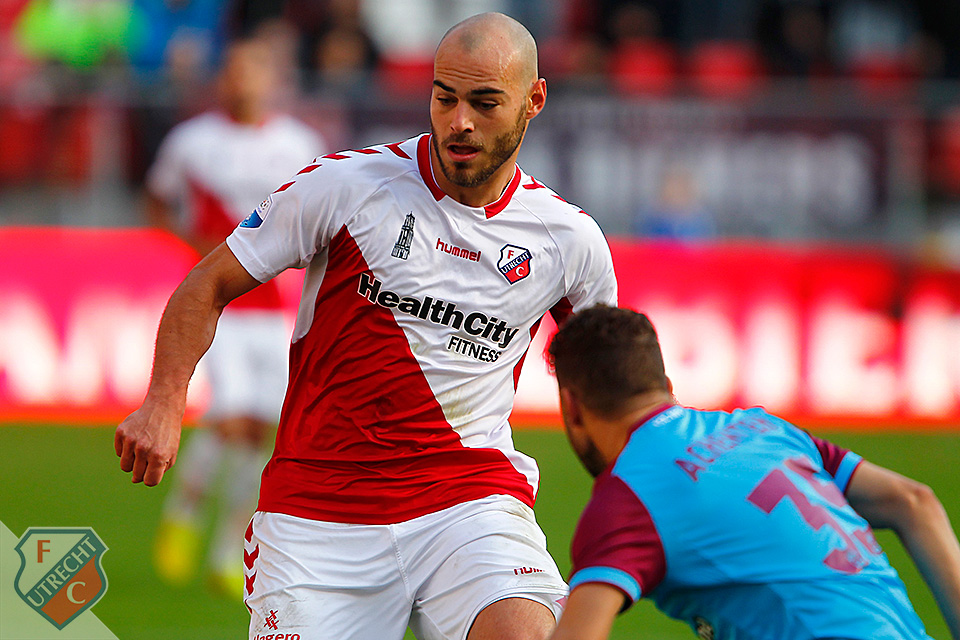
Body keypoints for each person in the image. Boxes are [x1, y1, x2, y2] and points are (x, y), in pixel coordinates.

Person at [115, 11, 618, 640]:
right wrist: (164, 402)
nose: (459, 121)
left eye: (485, 103)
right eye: (445, 97)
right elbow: (206, 283)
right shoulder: (348, 185)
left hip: (468, 500)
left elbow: (610, 377)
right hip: (318, 510)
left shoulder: (569, 240)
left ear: (534, 99)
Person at [546, 305, 960, 640]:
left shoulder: (627, 498)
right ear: (666, 384)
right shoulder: (763, 428)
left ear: (573, 406)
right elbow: (913, 501)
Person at [143, 36, 326, 595]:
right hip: (219, 305)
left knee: (258, 432)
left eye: (253, 71)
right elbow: (156, 200)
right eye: (234, 70)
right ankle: (184, 512)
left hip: (274, 310)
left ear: (272, 80)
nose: (243, 81)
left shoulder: (299, 144)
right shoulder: (193, 141)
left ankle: (228, 547)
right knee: (228, 418)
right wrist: (193, 249)